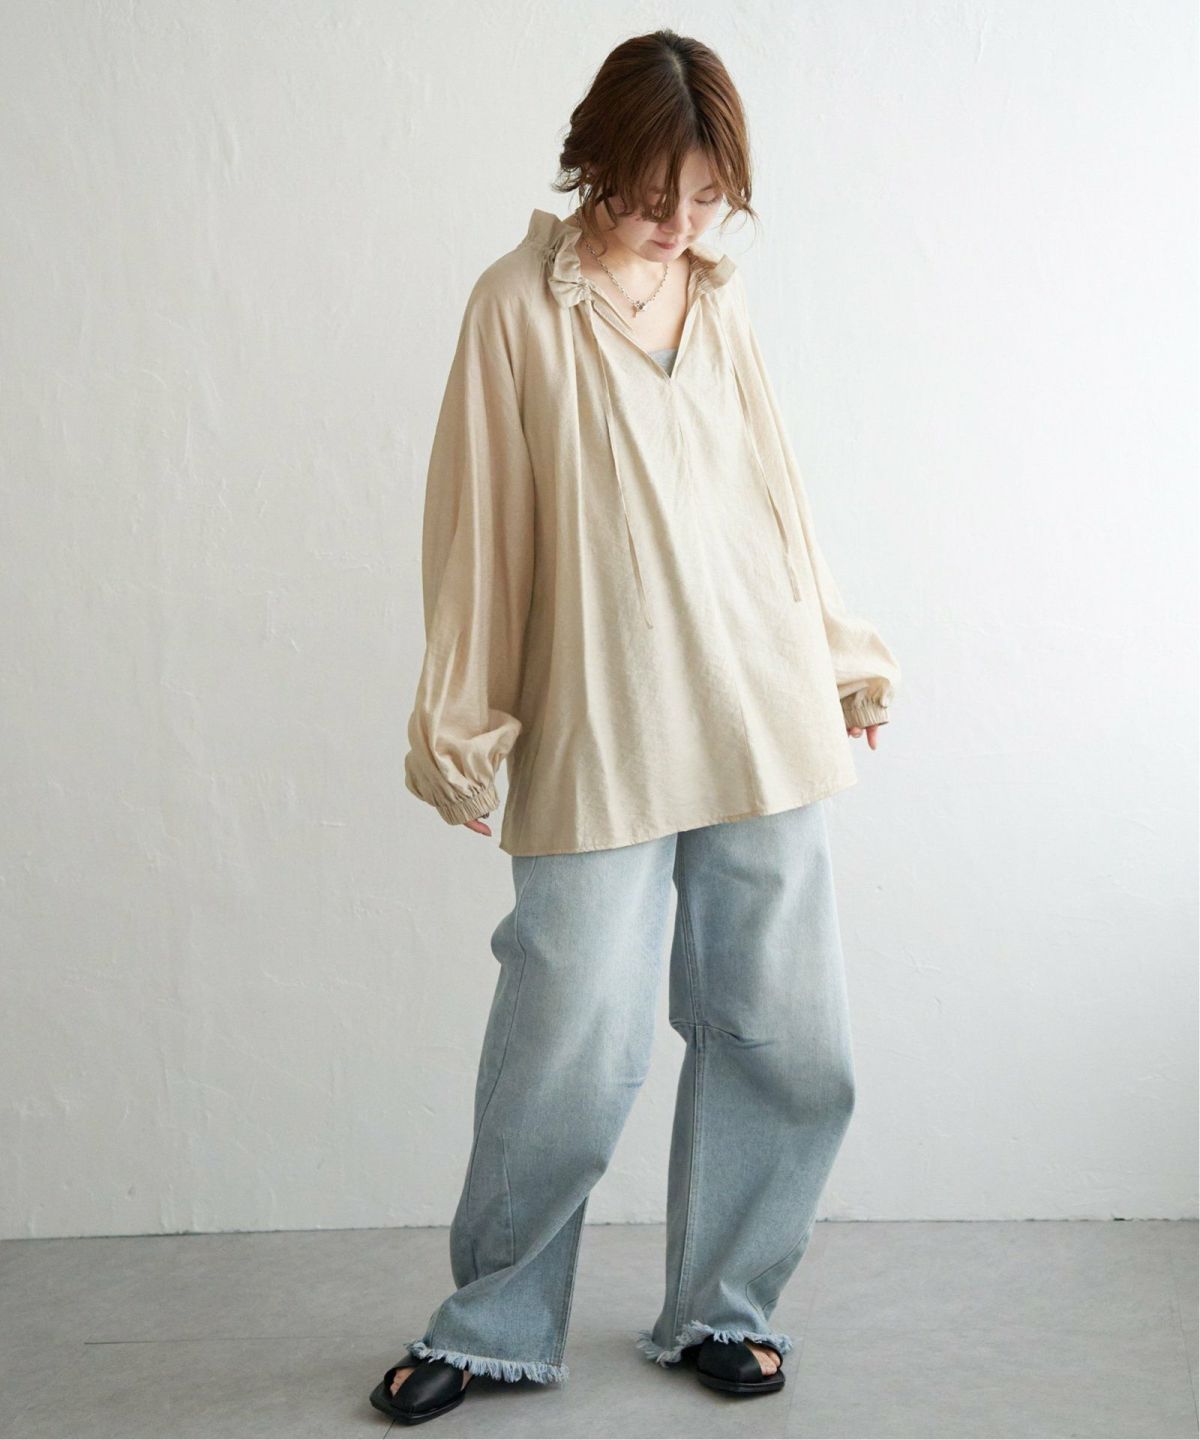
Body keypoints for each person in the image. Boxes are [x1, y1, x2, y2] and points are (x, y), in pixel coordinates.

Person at [371, 27, 901, 1428]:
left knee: (783, 1034)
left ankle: (726, 1308)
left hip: (757, 706)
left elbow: (776, 494)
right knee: (571, 1040)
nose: (680, 227)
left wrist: (839, 660)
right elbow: (481, 531)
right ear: (594, 162)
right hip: (603, 719)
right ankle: (492, 1322)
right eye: (656, 197)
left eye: (707, 200)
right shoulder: (516, 307)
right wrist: (464, 728)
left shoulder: (716, 300)